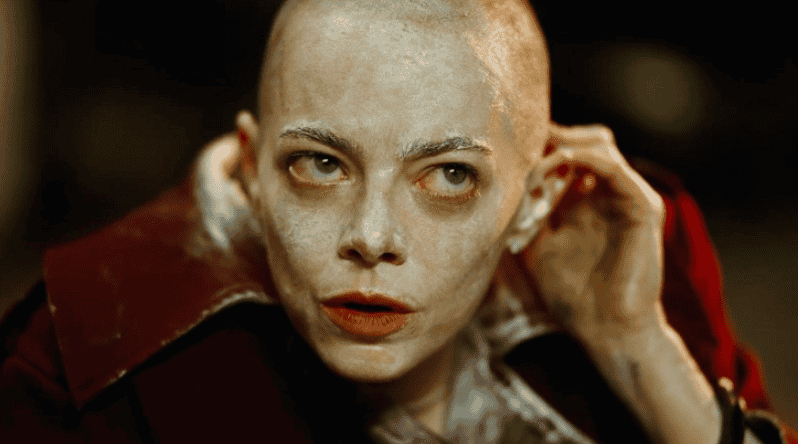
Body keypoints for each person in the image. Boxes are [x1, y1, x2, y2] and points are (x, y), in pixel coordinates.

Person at [1, 0, 795, 443]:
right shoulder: (73, 369)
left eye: (449, 175)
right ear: (251, 169)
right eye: (319, 165)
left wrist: (636, 348)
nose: (372, 238)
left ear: (536, 198)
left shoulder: (644, 264)